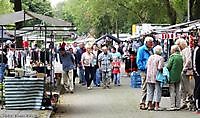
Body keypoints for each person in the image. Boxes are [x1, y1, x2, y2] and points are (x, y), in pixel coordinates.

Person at [136, 36, 153, 110]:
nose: (152, 44)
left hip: (151, 70)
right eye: (150, 42)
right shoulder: (141, 49)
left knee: (151, 87)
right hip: (145, 71)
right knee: (145, 87)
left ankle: (149, 103)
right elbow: (139, 61)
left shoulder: (151, 49)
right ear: (146, 42)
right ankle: (142, 103)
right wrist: (143, 67)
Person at [146, 45, 164, 111]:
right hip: (156, 76)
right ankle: (156, 105)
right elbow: (159, 68)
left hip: (149, 75)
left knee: (150, 90)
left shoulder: (150, 57)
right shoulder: (160, 58)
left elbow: (147, 65)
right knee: (157, 90)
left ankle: (150, 105)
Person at [167, 45, 183, 111]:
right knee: (178, 91)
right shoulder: (181, 57)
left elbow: (168, 66)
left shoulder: (172, 57)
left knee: (172, 91)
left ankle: (172, 105)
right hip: (179, 75)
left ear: (173, 50)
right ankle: (178, 105)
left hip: (172, 75)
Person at [193, 38, 200, 114]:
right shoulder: (197, 50)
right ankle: (198, 107)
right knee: (198, 90)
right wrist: (197, 73)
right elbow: (194, 63)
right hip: (198, 74)